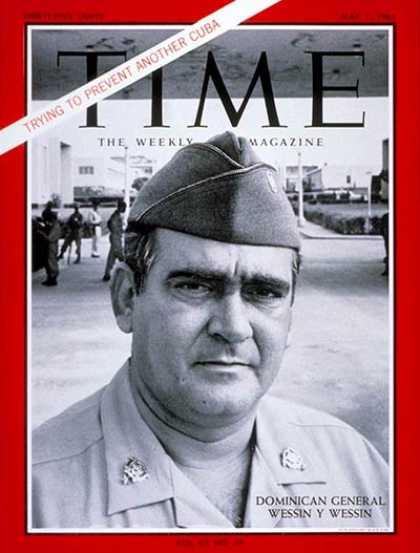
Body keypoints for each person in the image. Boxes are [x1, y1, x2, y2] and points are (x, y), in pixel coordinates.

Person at [32, 132, 389, 529]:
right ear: (127, 298)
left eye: (264, 292)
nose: (233, 328)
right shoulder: (32, 497)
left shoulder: (354, 468)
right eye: (195, 287)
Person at [102, 199, 126, 282]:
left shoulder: (116, 215)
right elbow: (114, 227)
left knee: (112, 257)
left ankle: (107, 274)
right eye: (124, 207)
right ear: (120, 207)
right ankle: (128, 272)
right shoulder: (115, 216)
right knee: (120, 255)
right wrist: (120, 231)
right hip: (115, 237)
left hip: (116, 237)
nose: (125, 209)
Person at [38, 210, 61, 286]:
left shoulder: (56, 227)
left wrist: (42, 234)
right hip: (52, 246)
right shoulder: (54, 225)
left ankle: (53, 279)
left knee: (52, 262)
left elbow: (50, 238)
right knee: (50, 262)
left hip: (52, 246)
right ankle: (50, 278)